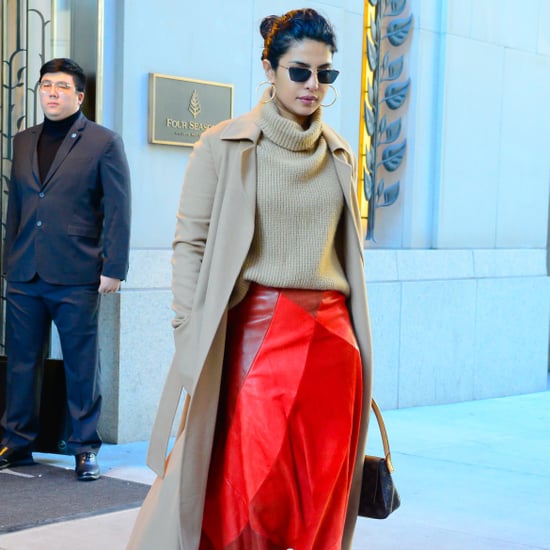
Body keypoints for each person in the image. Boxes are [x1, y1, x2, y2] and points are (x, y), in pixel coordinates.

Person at [128, 8, 372, 549]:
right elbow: (190, 243)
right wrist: (187, 330)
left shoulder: (338, 152)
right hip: (255, 339)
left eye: (325, 74)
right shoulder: (224, 144)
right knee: (246, 498)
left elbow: (344, 254)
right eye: (300, 71)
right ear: (270, 67)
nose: (313, 86)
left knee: (319, 502)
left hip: (334, 350)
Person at [0, 58, 131, 481]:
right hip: (25, 272)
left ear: (79, 95)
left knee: (80, 363)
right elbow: (18, 205)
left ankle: (84, 447)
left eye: (61, 86)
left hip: (78, 271)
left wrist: (114, 267)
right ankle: (17, 442)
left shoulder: (103, 142)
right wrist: (10, 260)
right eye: (45, 85)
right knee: (21, 361)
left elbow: (118, 208)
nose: (52, 92)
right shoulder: (23, 140)